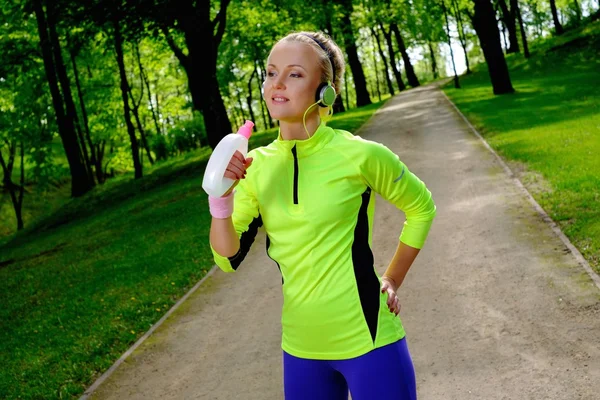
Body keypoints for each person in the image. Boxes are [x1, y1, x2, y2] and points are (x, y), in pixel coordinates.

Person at [208, 31, 436, 400]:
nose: (276, 83)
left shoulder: (360, 155)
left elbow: (422, 207)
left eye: (294, 74)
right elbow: (226, 257)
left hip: (369, 340)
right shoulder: (255, 168)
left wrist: (392, 279)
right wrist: (221, 201)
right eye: (270, 73)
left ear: (325, 91)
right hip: (300, 349)